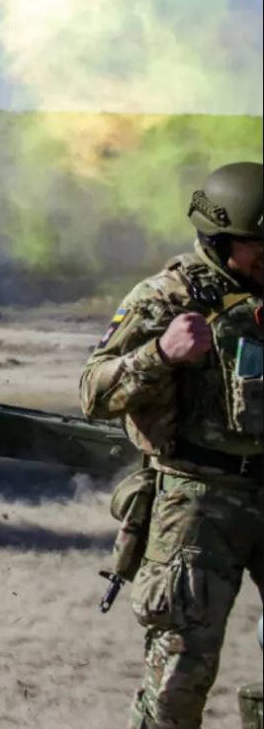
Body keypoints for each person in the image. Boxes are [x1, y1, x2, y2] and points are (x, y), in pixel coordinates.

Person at [80, 161, 263, 729]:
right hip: (197, 503)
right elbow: (93, 392)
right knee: (178, 685)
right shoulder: (166, 297)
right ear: (220, 237)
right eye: (258, 244)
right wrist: (159, 355)